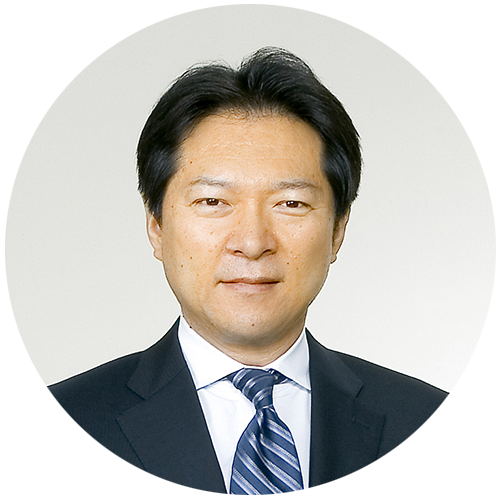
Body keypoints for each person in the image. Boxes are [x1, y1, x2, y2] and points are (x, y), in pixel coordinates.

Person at [5, 47, 494, 495]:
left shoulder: (437, 435)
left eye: (291, 203)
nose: (253, 242)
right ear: (156, 226)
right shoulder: (48, 435)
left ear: (337, 230)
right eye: (213, 201)